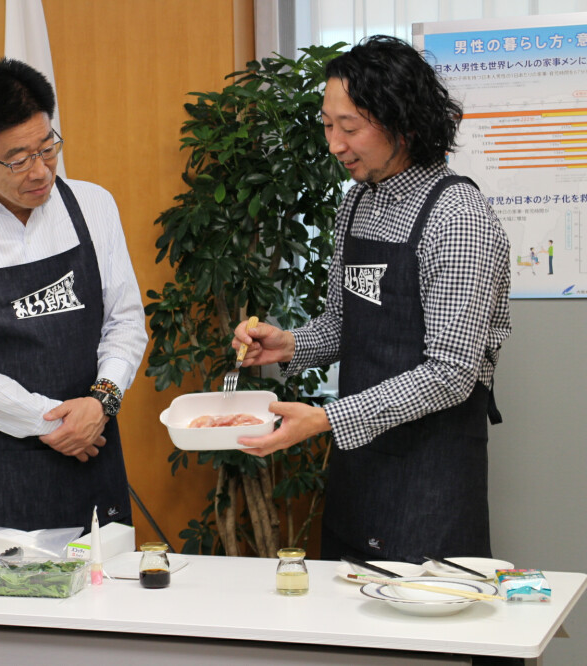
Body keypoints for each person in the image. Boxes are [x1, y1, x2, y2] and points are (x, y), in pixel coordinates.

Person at [231, 36, 511, 564]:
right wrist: (287, 343)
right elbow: (343, 322)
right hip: (360, 464)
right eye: (328, 124)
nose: (335, 144)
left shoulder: (458, 218)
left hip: (431, 472)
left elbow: (451, 372)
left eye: (350, 127)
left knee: (425, 636)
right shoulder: (358, 199)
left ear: (402, 123)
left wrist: (328, 419)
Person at [0, 58, 148, 543]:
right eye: (19, 160)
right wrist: (54, 422)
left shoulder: (92, 205)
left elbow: (125, 322)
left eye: (48, 148)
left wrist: (101, 403)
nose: (40, 171)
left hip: (92, 445)